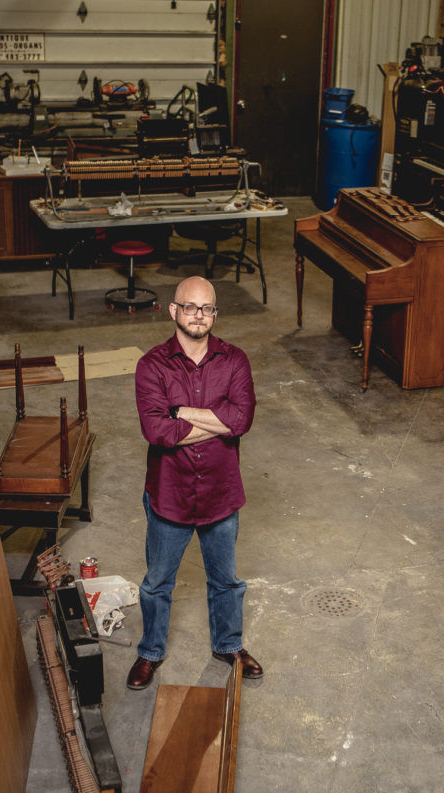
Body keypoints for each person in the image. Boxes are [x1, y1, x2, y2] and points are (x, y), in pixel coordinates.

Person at [128, 276, 261, 689]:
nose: (199, 315)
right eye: (190, 307)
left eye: (207, 309)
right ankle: (150, 652)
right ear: (174, 311)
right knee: (157, 584)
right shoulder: (151, 365)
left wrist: (181, 410)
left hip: (221, 492)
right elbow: (157, 432)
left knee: (227, 581)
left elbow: (243, 420)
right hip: (170, 493)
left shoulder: (235, 360)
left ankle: (228, 644)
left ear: (215, 314)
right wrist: (218, 421)